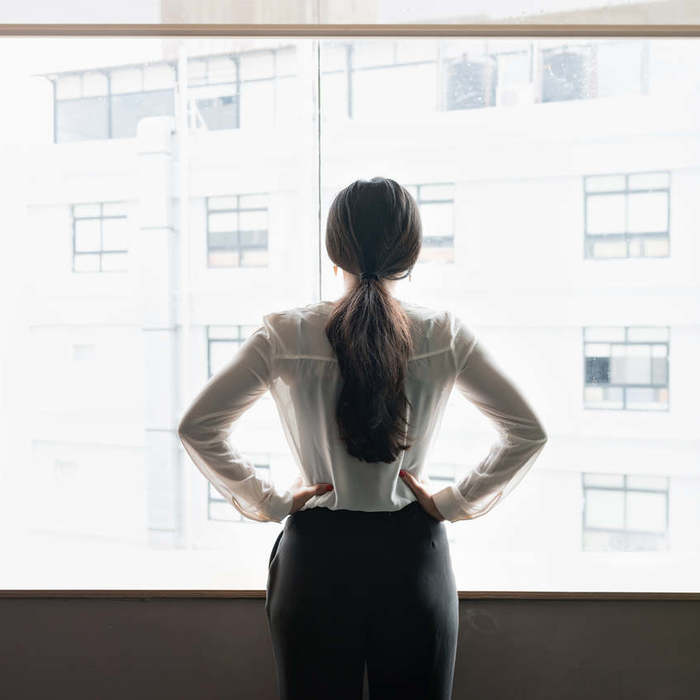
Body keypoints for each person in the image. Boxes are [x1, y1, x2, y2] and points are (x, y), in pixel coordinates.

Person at [177, 177, 548, 699]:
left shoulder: (286, 332)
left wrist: (272, 500)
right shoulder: (443, 333)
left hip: (317, 560)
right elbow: (527, 431)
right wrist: (453, 501)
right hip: (412, 557)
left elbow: (199, 426)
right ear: (411, 253)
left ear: (333, 250)